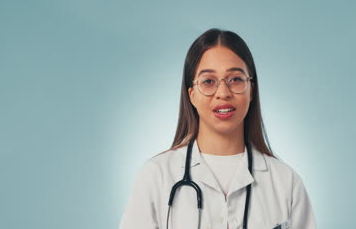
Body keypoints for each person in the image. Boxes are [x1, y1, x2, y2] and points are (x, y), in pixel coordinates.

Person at [119, 28, 317, 229]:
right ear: (192, 95)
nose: (223, 93)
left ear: (251, 90)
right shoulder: (157, 176)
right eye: (208, 82)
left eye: (235, 79)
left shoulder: (285, 183)